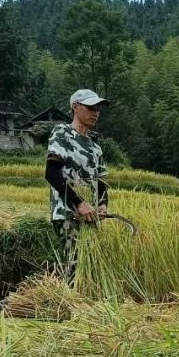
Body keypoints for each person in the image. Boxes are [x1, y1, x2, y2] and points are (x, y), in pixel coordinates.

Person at [45, 88, 111, 279]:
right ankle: (68, 306)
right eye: (91, 107)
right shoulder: (62, 133)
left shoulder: (95, 147)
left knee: (90, 266)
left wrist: (102, 205)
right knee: (74, 267)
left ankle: (83, 305)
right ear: (75, 107)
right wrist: (79, 203)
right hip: (68, 213)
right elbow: (51, 173)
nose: (96, 113)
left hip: (89, 216)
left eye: (98, 109)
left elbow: (101, 182)